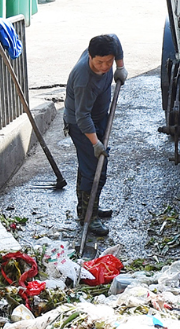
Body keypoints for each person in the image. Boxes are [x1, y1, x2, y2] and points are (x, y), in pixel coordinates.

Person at [63, 34, 129, 236]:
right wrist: (96, 143)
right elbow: (82, 117)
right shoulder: (84, 79)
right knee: (94, 170)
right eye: (100, 62)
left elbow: (115, 40)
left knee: (90, 167)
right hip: (82, 125)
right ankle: (88, 218)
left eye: (108, 62)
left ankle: (88, 208)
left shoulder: (108, 51)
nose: (104, 66)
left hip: (99, 117)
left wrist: (120, 66)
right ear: (90, 56)